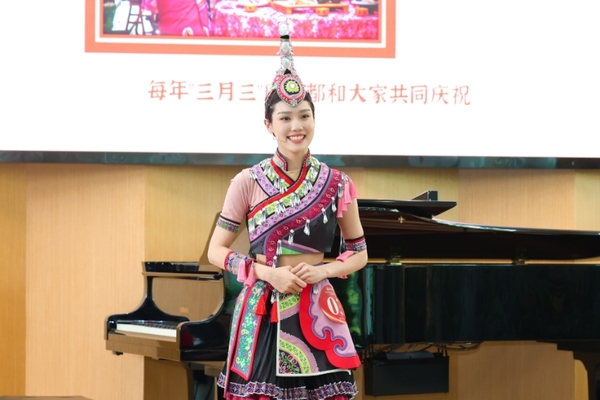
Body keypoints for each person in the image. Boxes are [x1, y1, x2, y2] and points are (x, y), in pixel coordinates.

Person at [207, 15, 368, 400]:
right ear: (269, 125)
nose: (296, 126)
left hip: (316, 310)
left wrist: (321, 271)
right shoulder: (247, 181)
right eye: (285, 118)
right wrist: (266, 273)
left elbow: (359, 253)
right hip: (262, 308)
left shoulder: (338, 183)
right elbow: (215, 250)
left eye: (304, 116)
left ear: (314, 119)